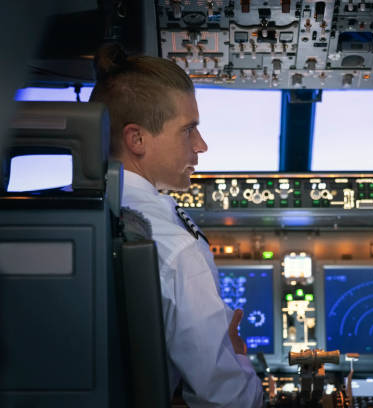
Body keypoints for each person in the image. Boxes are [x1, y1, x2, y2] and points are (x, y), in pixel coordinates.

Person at [90, 43, 264, 408]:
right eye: (188, 130)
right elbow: (227, 400)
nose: (201, 145)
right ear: (136, 139)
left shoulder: (71, 215)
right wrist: (235, 354)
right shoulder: (175, 247)